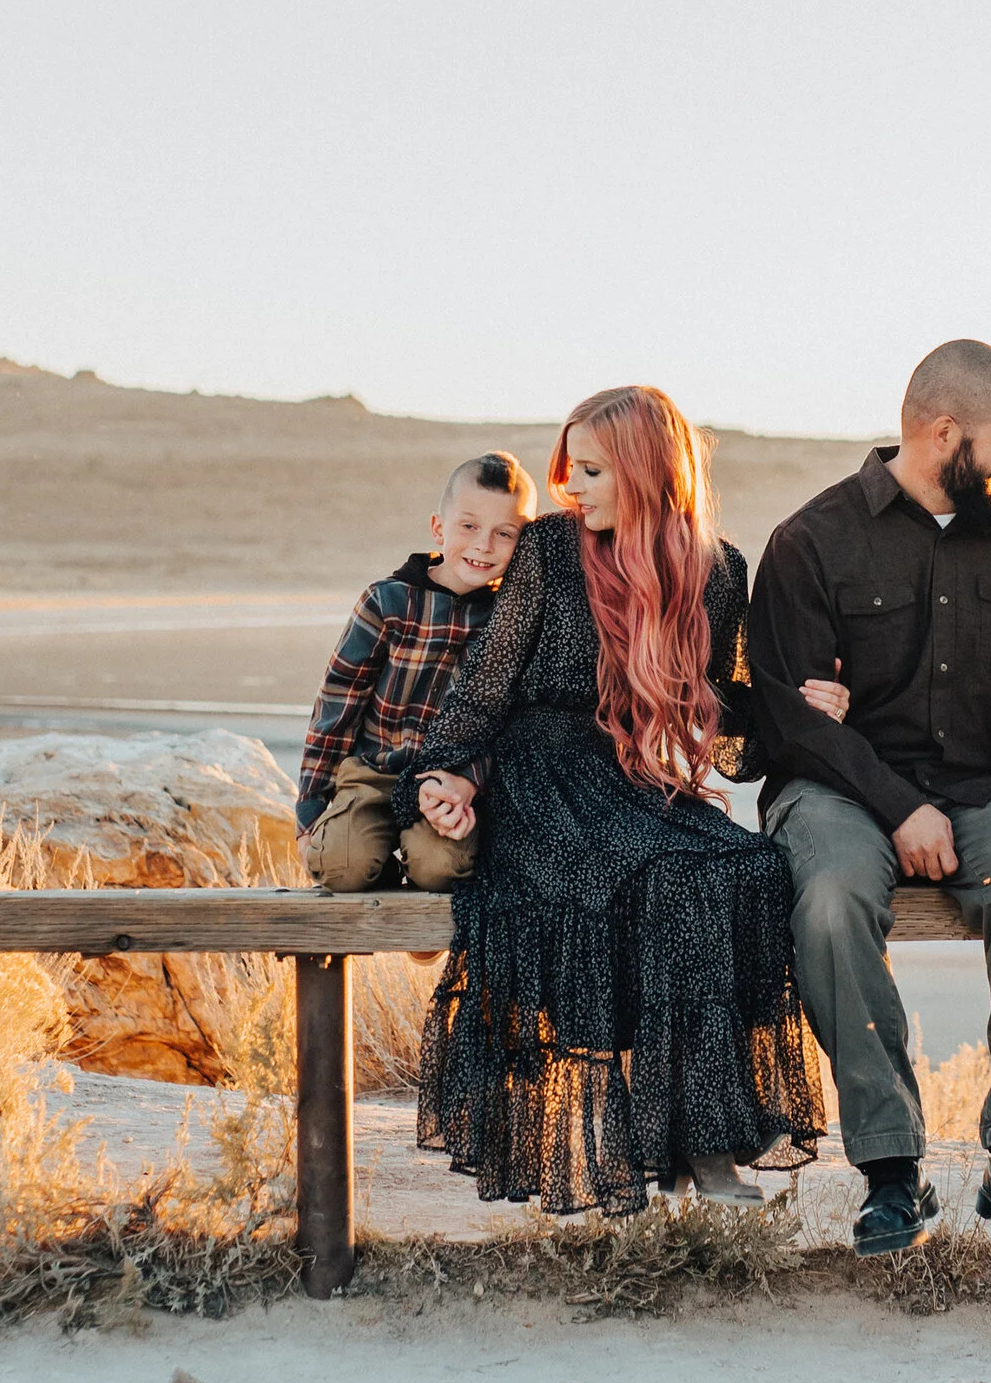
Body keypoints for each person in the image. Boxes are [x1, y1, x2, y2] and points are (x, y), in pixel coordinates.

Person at [409, 386, 826, 1216]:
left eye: (591, 469)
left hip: (629, 776)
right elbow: (490, 676)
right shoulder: (551, 549)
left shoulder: (717, 570)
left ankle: (696, 1133)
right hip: (538, 774)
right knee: (648, 874)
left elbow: (725, 714)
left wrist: (798, 707)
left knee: (742, 865)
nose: (572, 486)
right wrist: (445, 770)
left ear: (644, 470)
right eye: (569, 467)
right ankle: (688, 1145)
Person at [748, 338, 991, 1259]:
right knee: (826, 900)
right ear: (946, 434)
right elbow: (794, 721)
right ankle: (891, 1169)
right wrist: (901, 807)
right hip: (838, 788)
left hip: (989, 789)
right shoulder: (810, 541)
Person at [296, 452, 539, 893]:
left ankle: (421, 878)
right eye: (468, 526)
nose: (483, 545)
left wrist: (470, 779)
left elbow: (513, 724)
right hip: (373, 772)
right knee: (339, 866)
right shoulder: (388, 602)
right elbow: (336, 707)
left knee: (442, 869)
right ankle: (382, 873)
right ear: (439, 528)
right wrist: (309, 811)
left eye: (505, 533)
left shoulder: (512, 621)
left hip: (446, 781)